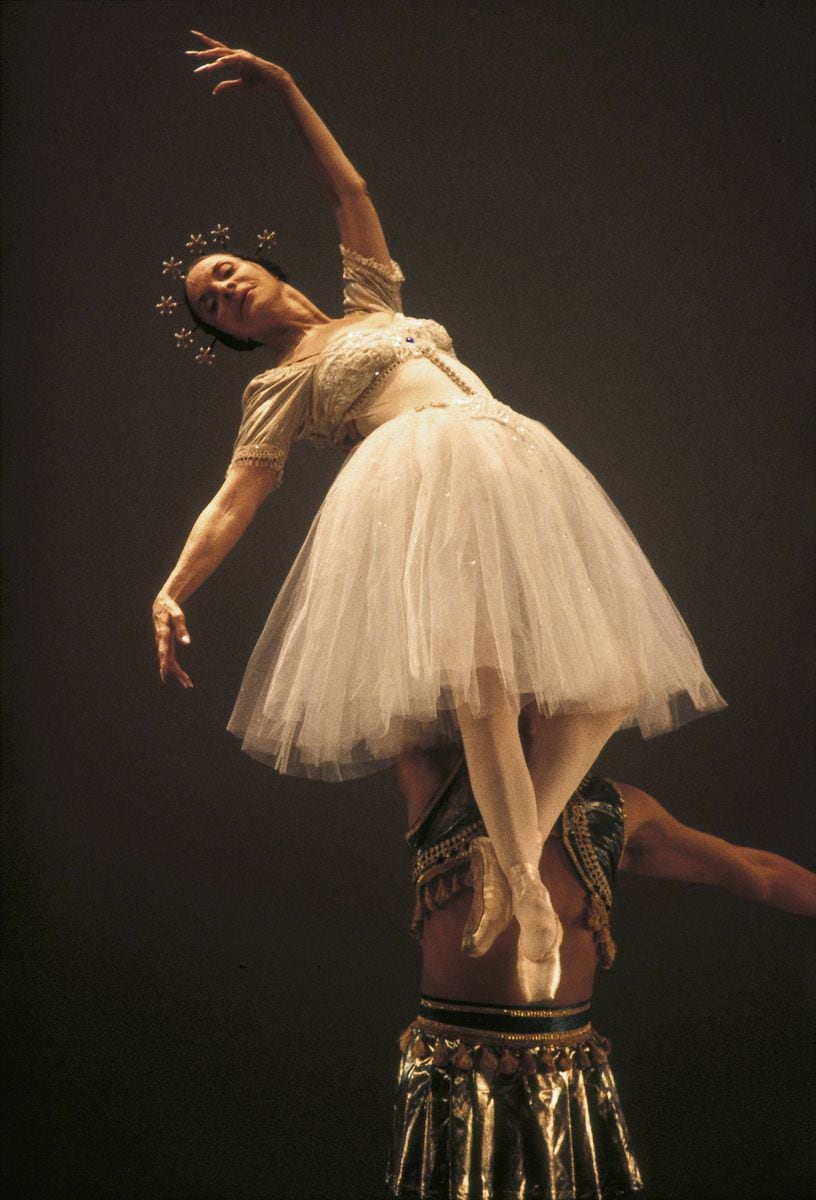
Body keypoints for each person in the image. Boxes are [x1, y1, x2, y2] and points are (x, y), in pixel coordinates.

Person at [152, 32, 726, 1002]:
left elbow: (355, 195)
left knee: (613, 681)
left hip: (507, 450)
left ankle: (516, 860)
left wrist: (288, 86)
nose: (226, 288)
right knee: (486, 686)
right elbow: (234, 499)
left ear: (260, 265)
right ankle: (533, 907)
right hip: (420, 477)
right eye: (212, 302)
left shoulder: (371, 300)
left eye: (225, 271)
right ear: (227, 333)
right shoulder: (280, 388)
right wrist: (172, 586)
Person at [388, 739, 816, 1199]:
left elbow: (756, 874)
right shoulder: (437, 776)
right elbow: (403, 692)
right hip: (454, 1071)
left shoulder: (612, 810)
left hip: (564, 1075)